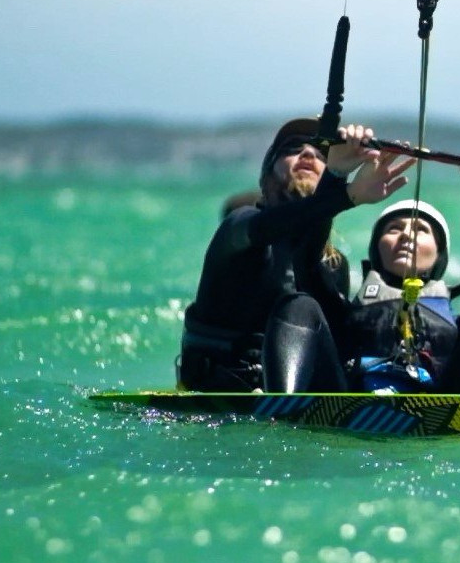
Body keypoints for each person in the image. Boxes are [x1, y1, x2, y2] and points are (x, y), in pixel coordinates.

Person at [176, 117, 415, 392]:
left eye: (322, 154)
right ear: (266, 177)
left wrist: (337, 178)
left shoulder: (334, 265)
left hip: (304, 400)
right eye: (292, 149)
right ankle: (280, 406)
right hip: (222, 388)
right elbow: (271, 227)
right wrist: (343, 191)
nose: (308, 153)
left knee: (308, 309)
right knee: (299, 305)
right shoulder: (238, 230)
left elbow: (308, 261)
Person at [273, 149, 460, 396]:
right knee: (299, 304)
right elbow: (306, 260)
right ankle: (280, 399)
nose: (406, 235)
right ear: (376, 248)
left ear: (440, 255)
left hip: (446, 404)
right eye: (394, 229)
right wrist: (337, 175)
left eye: (421, 230)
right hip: (347, 398)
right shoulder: (343, 315)